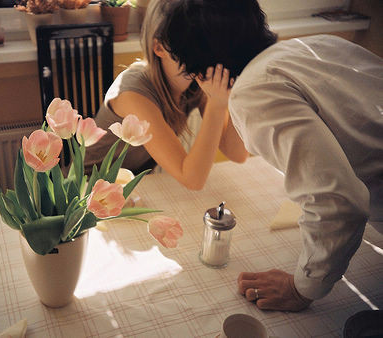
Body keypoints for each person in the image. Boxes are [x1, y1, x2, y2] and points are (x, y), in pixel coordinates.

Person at [159, 0, 383, 311]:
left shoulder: (255, 91)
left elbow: (336, 201)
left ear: (199, 69)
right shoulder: (317, 45)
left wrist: (301, 288)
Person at [84, 0, 248, 190]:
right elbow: (192, 180)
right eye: (187, 47)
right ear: (159, 47)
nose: (198, 56)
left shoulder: (194, 80)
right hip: (87, 193)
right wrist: (216, 105)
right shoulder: (133, 94)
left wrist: (234, 93)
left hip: (131, 188)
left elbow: (237, 154)